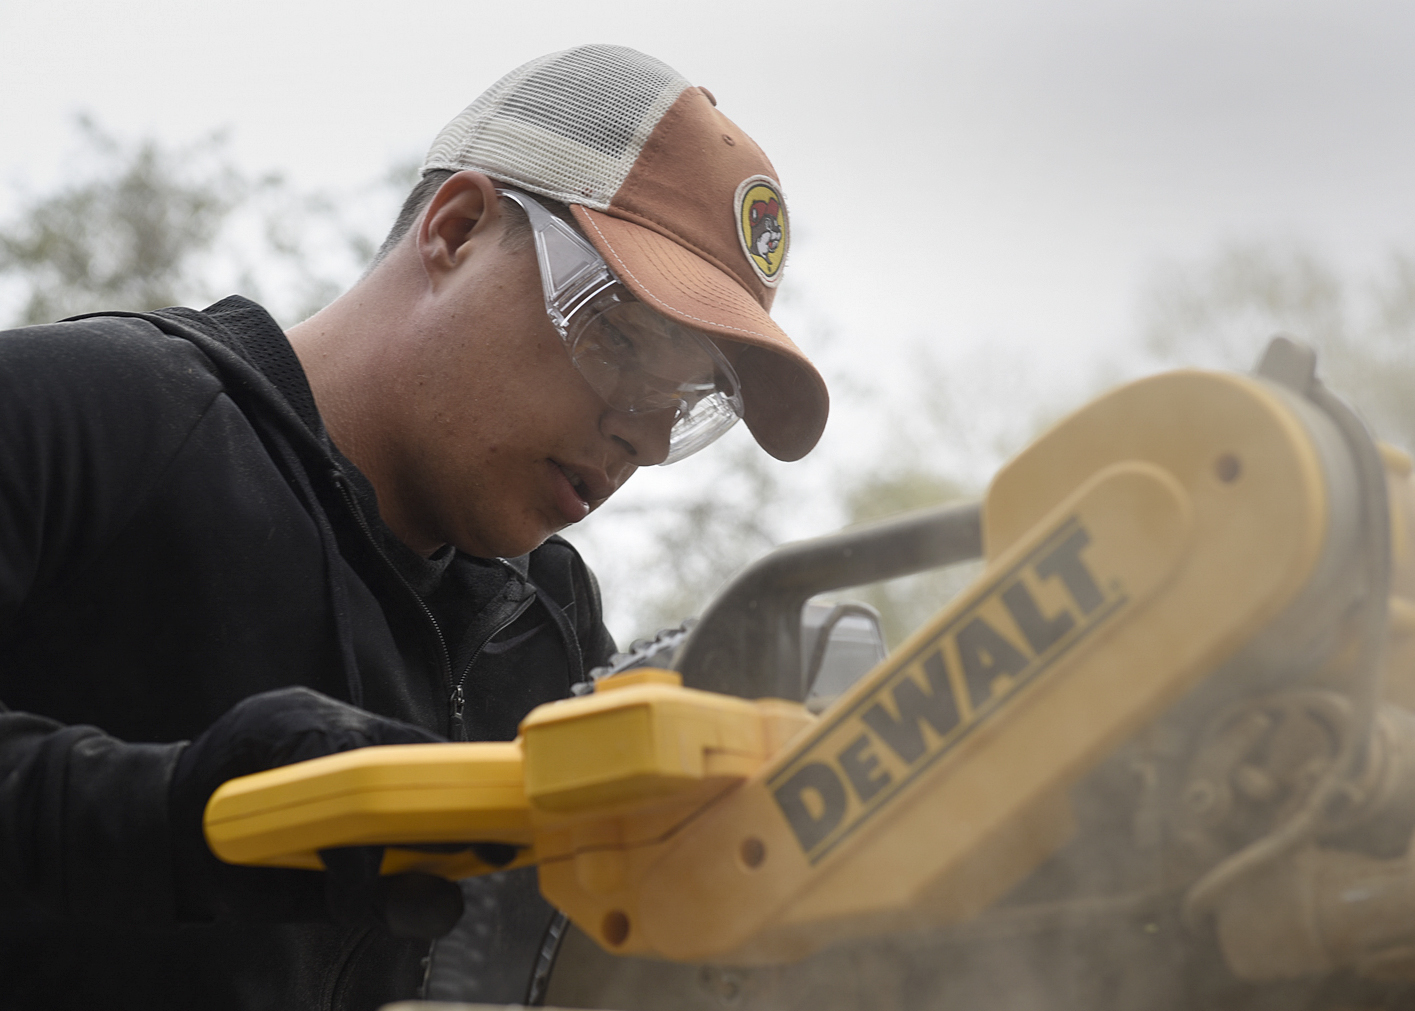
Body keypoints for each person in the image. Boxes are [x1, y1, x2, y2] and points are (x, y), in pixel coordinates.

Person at [0, 44, 828, 1010]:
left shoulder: (551, 638)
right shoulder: (83, 417)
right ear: (456, 227)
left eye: (687, 402)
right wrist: (183, 815)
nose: (642, 436)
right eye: (621, 339)